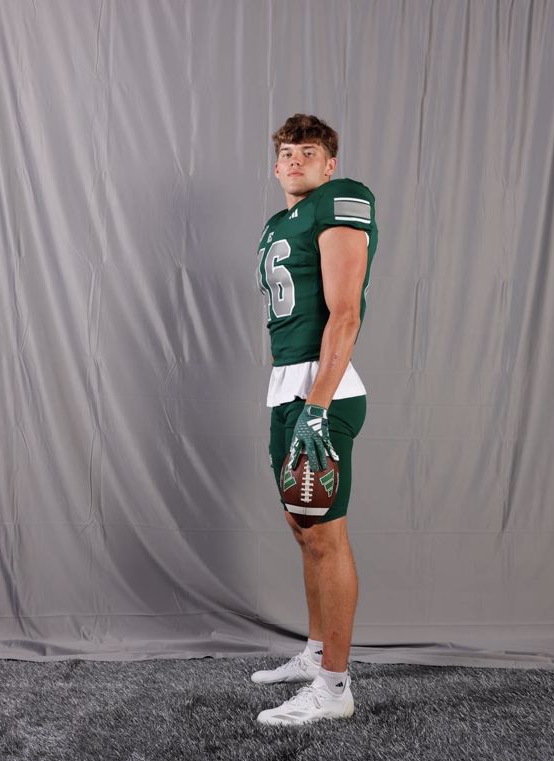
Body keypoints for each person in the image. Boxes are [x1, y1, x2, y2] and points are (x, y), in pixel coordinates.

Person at [252, 113, 378, 725]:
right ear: (275, 166)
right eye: (286, 152)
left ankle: (334, 687)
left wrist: (319, 405)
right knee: (303, 529)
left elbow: (345, 312)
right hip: (287, 388)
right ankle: (314, 653)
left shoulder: (340, 197)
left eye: (308, 151)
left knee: (326, 537)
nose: (294, 159)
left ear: (329, 164)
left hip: (321, 392)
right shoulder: (278, 223)